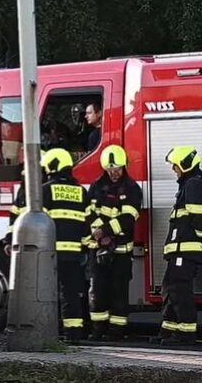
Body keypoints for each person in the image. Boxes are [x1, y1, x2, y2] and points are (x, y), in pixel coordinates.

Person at [85, 145, 142, 341]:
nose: (114, 173)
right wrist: (100, 235)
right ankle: (98, 329)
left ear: (124, 166)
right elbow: (89, 213)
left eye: (117, 169)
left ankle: (116, 331)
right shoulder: (96, 186)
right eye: (110, 170)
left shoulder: (132, 189)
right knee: (98, 291)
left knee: (119, 293)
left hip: (121, 252)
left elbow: (129, 217)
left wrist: (106, 231)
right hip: (99, 249)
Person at [40, 149, 89, 343]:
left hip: (51, 253)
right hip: (75, 254)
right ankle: (73, 333)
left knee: (48, 293)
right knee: (71, 293)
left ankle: (51, 332)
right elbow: (89, 224)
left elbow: (40, 223)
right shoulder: (80, 191)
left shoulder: (45, 190)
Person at [154, 146, 202, 346]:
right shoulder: (188, 184)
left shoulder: (193, 184)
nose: (174, 169)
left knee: (179, 289)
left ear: (184, 164)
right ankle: (169, 331)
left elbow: (198, 218)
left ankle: (186, 333)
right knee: (169, 288)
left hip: (187, 249)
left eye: (175, 166)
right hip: (180, 249)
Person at [3, 151, 46, 256]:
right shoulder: (23, 190)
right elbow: (14, 218)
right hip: (26, 244)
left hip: (44, 243)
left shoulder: (47, 189)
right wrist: (9, 241)